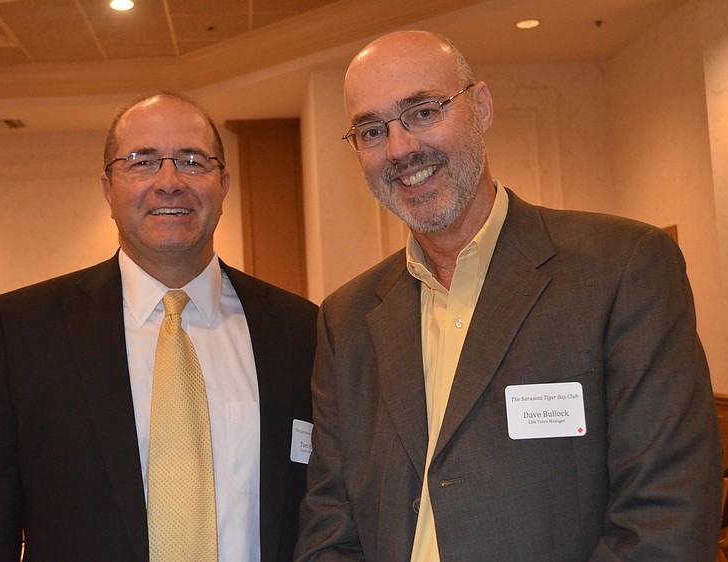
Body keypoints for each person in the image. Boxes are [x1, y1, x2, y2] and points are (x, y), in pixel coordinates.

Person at [295, 30, 722, 561]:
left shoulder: (623, 267)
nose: (401, 148)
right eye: (372, 130)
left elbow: (667, 514)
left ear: (481, 107)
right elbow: (330, 527)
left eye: (423, 112)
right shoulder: (347, 319)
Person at [0, 93, 318, 562]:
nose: (169, 182)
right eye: (141, 162)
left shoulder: (301, 330)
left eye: (193, 161)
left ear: (223, 184)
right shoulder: (24, 331)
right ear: (108, 188)